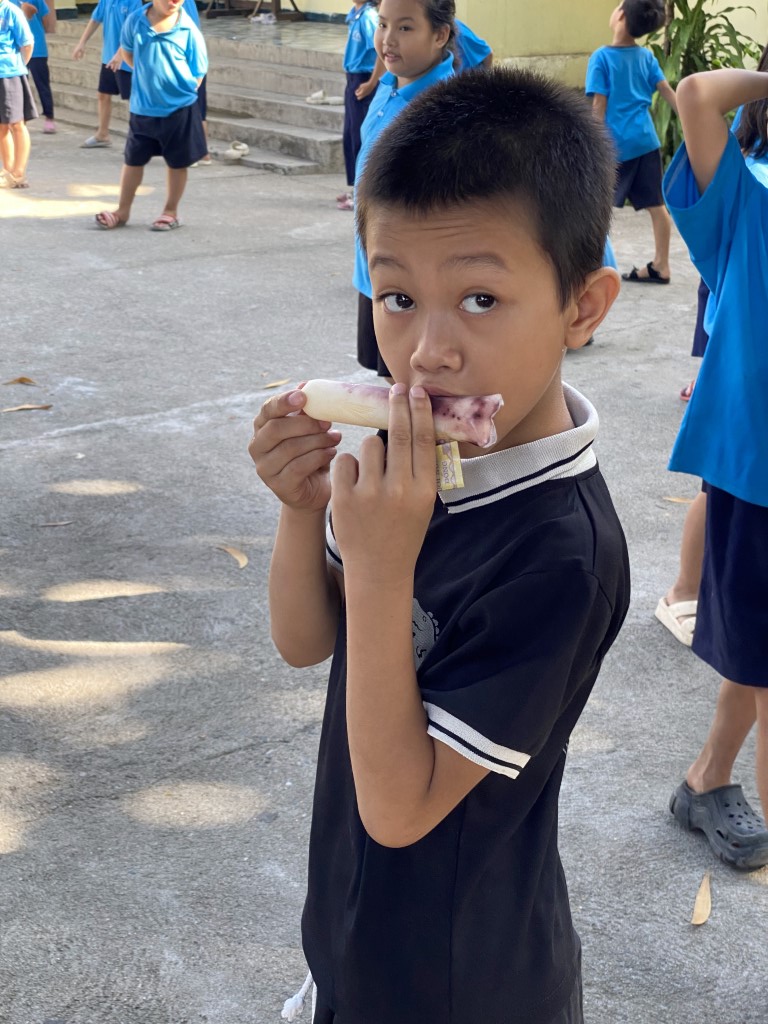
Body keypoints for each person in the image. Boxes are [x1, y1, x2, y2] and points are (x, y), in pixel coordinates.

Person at [250, 66, 630, 1023]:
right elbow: (305, 641)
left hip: (463, 981)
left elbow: (401, 807)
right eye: (396, 297)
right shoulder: (415, 462)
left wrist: (382, 571)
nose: (426, 353)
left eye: (481, 299)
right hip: (356, 937)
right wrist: (302, 507)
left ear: (583, 307)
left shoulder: (564, 556)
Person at [663, 57, 768, 870]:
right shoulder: (749, 196)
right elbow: (698, 95)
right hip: (758, 478)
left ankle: (706, 779)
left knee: (760, 652)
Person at [353, 0, 456, 378]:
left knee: (414, 387)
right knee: (387, 383)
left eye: (405, 28)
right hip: (374, 268)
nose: (388, 39)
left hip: (414, 285)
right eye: (383, 25)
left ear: (440, 35)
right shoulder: (388, 85)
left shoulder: (444, 108)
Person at [93, 0, 207, 230]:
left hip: (179, 109)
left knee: (177, 163)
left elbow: (198, 72)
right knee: (133, 161)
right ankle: (122, 211)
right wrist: (147, 79)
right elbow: (127, 53)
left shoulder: (188, 29)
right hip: (143, 108)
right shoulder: (135, 21)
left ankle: (170, 211)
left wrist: (177, 93)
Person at [586, 0, 677, 284]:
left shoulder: (601, 58)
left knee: (596, 206)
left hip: (615, 146)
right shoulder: (646, 57)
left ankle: (592, 267)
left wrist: (592, 146)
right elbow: (667, 91)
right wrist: (691, 120)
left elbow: (599, 106)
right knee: (657, 205)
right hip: (646, 142)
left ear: (621, 16)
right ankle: (662, 265)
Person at [72, 0, 142, 149]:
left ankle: (137, 139)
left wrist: (120, 53)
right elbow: (95, 19)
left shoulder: (134, 2)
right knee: (103, 94)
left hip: (126, 59)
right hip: (108, 57)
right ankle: (102, 134)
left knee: (133, 100)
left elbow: (134, 30)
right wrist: (82, 43)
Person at [336, 1, 383, 211]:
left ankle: (364, 194)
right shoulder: (355, 14)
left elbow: (381, 51)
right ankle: (356, 188)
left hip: (364, 79)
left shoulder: (368, 17)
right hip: (352, 78)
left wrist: (372, 82)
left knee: (362, 136)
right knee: (350, 135)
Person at [0, 0, 36, 188]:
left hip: (10, 73)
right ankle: (7, 171)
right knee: (1, 126)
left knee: (16, 124)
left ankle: (19, 173)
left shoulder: (10, 11)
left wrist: (19, 66)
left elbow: (27, 43)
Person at [13, 0, 55, 133]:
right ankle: (20, 119)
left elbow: (45, 17)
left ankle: (49, 117)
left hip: (37, 49)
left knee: (42, 84)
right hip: (17, 50)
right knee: (18, 86)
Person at [182, 0, 211, 167]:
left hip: (187, 59)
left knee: (190, 106)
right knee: (198, 107)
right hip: (196, 58)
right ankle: (203, 153)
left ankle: (193, 152)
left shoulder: (176, 6)